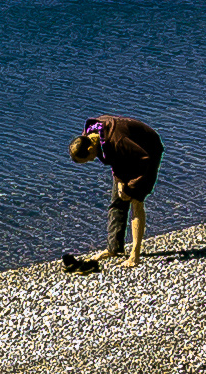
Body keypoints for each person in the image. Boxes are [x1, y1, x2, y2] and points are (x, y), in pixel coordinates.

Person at [65, 114, 163, 270]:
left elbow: (144, 159)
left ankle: (134, 256)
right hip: (126, 155)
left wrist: (131, 185)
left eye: (89, 159)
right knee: (117, 202)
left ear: (91, 148)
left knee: (135, 202)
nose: (91, 161)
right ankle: (114, 249)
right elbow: (113, 157)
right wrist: (119, 180)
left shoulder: (118, 141)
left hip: (147, 151)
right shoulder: (90, 136)